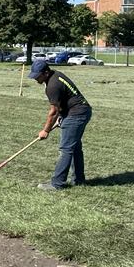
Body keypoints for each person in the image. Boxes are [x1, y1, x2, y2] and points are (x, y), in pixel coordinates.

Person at [28, 58, 92, 191]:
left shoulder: (52, 85)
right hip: (80, 111)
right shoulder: (55, 75)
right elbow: (64, 102)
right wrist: (62, 117)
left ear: (45, 73)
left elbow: (53, 111)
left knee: (66, 149)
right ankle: (79, 180)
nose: (35, 79)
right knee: (74, 148)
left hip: (76, 114)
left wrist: (46, 130)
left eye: (37, 76)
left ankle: (57, 183)